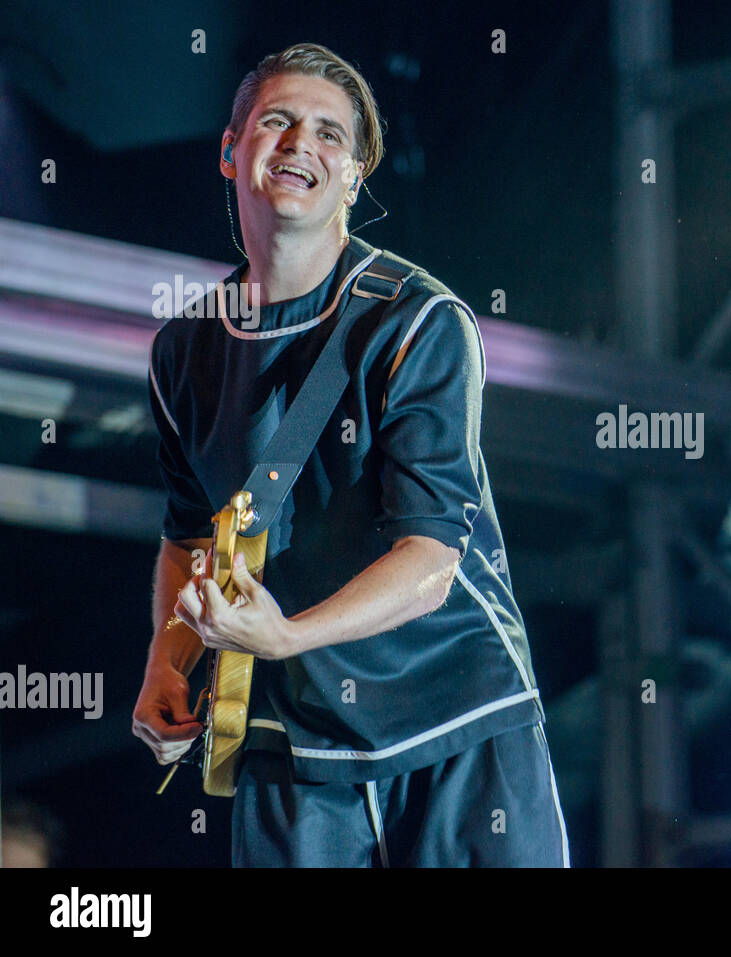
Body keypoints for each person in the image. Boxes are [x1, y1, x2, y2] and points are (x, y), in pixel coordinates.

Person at [130, 42, 568, 867]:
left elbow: (432, 560)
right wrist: (167, 654)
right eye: (278, 121)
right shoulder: (183, 349)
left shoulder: (418, 323)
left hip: (454, 726)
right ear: (232, 150)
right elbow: (192, 531)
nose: (302, 143)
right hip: (291, 742)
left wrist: (286, 635)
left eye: (331, 133)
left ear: (356, 175)